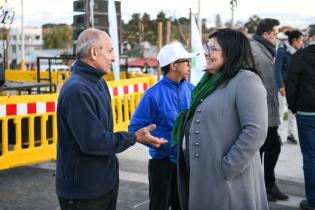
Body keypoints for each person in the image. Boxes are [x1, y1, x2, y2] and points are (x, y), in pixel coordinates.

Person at [56, 28, 166, 210]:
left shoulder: (99, 82)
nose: (114, 58)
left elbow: (104, 134)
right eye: (110, 51)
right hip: (84, 192)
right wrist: (134, 136)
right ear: (93, 52)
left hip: (104, 183)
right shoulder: (77, 90)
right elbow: (94, 142)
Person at [173, 28, 268, 210]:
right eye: (206, 47)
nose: (206, 53)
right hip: (204, 176)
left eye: (213, 49)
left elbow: (256, 130)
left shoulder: (246, 80)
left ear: (231, 51)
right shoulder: (211, 81)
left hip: (229, 180)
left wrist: (228, 167)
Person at [128, 41, 197, 210]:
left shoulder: (192, 89)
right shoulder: (153, 95)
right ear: (173, 65)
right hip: (162, 164)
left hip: (186, 163)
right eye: (186, 61)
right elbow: (134, 128)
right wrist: (152, 141)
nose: (189, 64)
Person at [250, 18, 289, 201]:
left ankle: (268, 184)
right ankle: (261, 187)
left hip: (269, 110)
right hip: (258, 112)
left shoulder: (265, 48)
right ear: (266, 34)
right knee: (260, 151)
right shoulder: (253, 49)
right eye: (275, 34)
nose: (276, 37)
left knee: (273, 147)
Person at [286, 26, 315, 210]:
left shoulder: (300, 56)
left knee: (310, 159)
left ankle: (312, 201)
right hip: (306, 113)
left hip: (306, 114)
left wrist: (293, 108)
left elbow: (291, 83)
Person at [275, 30, 304, 144]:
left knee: (293, 111)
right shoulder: (281, 51)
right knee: (281, 111)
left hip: (295, 87)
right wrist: (281, 85)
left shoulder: (300, 52)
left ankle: (291, 134)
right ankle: (278, 134)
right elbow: (277, 69)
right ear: (294, 40)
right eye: (300, 40)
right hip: (283, 88)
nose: (302, 42)